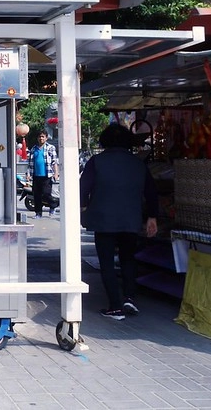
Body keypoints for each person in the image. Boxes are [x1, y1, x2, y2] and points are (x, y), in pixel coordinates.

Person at [80, 123, 158, 321]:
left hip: (103, 220)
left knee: (106, 262)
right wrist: (152, 216)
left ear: (105, 141)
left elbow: (83, 189)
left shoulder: (96, 162)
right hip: (130, 219)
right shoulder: (138, 163)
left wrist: (83, 210)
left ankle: (115, 306)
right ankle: (129, 298)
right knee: (128, 259)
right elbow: (151, 191)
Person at [27, 129, 59, 218]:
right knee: (36, 195)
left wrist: (56, 173)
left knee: (46, 193)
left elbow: (54, 161)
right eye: (39, 137)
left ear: (46, 138)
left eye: (43, 137)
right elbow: (30, 163)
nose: (41, 138)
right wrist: (28, 174)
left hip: (47, 176)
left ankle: (53, 205)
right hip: (36, 175)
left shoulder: (50, 148)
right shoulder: (33, 149)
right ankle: (38, 213)